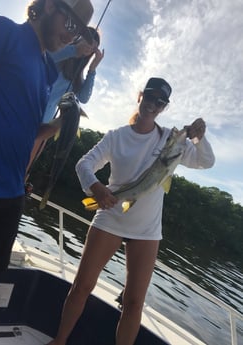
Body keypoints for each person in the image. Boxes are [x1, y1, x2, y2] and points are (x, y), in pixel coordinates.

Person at [47, 77, 215, 345]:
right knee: (81, 287)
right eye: (150, 97)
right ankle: (60, 341)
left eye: (160, 102)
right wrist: (97, 189)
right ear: (140, 96)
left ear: (164, 107)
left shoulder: (170, 142)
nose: (153, 104)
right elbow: (84, 165)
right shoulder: (117, 136)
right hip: (110, 216)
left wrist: (199, 139)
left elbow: (206, 161)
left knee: (134, 303)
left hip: (147, 230)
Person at [0, 0, 94, 282]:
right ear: (47, 6)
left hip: (11, 192)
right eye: (70, 23)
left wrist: (60, 124)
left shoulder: (47, 69)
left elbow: (29, 130)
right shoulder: (2, 31)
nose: (72, 36)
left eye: (79, 32)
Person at [26, 26, 104, 175]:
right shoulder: (56, 56)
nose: (87, 48)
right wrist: (74, 50)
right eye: (86, 41)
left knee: (18, 174)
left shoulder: (74, 78)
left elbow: (84, 97)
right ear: (77, 37)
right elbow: (46, 55)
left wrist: (92, 69)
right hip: (23, 117)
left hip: (42, 130)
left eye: (91, 48)